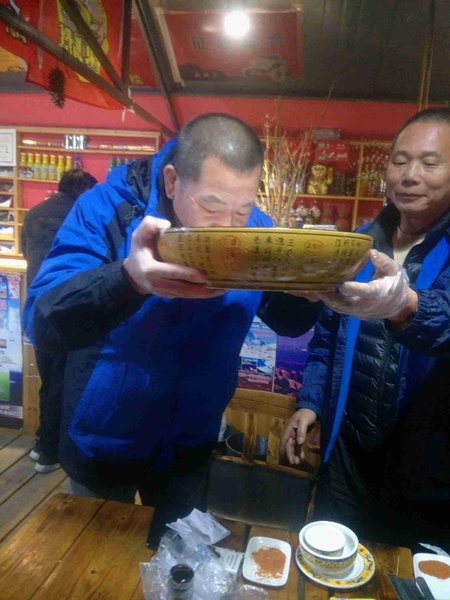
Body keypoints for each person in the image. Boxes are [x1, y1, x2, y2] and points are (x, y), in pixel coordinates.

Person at [23, 114, 320, 544]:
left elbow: (288, 322)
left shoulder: (254, 229)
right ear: (172, 181)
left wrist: (308, 291)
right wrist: (127, 279)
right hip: (102, 435)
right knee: (94, 563)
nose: (228, 228)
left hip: (190, 443)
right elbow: (43, 321)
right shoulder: (107, 209)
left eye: (242, 209)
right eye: (211, 207)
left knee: (178, 563)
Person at [281, 106, 450, 550]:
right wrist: (310, 403)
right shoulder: (360, 242)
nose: (409, 176)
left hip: (429, 481)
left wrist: (406, 305)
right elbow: (328, 338)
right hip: (349, 461)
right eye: (400, 160)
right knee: (331, 567)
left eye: (430, 163)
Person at [22, 169, 98, 473]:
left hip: (37, 309)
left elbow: (27, 254)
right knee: (62, 384)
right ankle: (49, 453)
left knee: (48, 380)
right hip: (67, 309)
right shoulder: (82, 216)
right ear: (84, 190)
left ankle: (41, 441)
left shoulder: (34, 213)